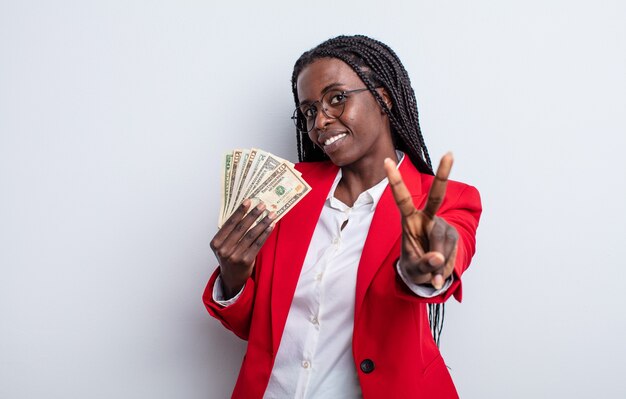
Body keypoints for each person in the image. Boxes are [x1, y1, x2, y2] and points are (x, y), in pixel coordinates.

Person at [203, 35, 482, 398]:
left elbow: (446, 258)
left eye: (337, 98)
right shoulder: (286, 190)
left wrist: (421, 270)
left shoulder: (447, 199)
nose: (319, 121)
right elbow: (257, 330)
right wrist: (233, 277)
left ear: (383, 98)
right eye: (308, 111)